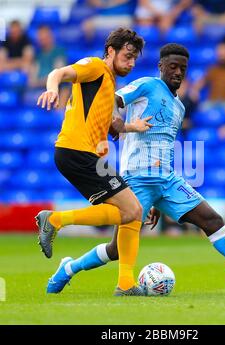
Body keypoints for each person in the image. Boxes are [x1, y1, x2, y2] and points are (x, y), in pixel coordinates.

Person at [46, 43, 225, 296]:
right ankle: (69, 268)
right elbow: (112, 99)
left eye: (183, 68)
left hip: (167, 181)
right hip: (136, 180)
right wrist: (117, 124)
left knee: (212, 220)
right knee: (116, 250)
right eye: (173, 67)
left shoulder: (179, 107)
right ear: (161, 66)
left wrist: (159, 202)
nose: (178, 72)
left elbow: (166, 148)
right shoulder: (146, 85)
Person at [35, 28, 148, 296]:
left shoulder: (108, 83)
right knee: (132, 210)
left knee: (132, 212)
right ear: (110, 51)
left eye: (134, 59)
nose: (131, 63)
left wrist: (133, 127)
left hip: (83, 155)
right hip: (76, 151)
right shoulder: (95, 67)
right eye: (127, 55)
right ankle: (55, 220)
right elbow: (59, 73)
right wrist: (52, 89)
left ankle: (125, 284)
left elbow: (111, 124)